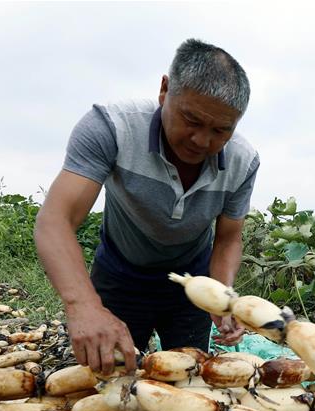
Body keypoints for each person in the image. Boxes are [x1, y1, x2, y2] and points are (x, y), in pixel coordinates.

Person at [34, 39, 258, 375]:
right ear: (165, 90)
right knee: (109, 379)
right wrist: (83, 306)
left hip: (190, 283)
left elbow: (228, 238)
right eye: (192, 120)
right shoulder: (110, 128)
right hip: (120, 273)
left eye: (220, 130)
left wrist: (223, 296)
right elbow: (55, 220)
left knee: (191, 379)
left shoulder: (244, 161)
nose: (202, 141)